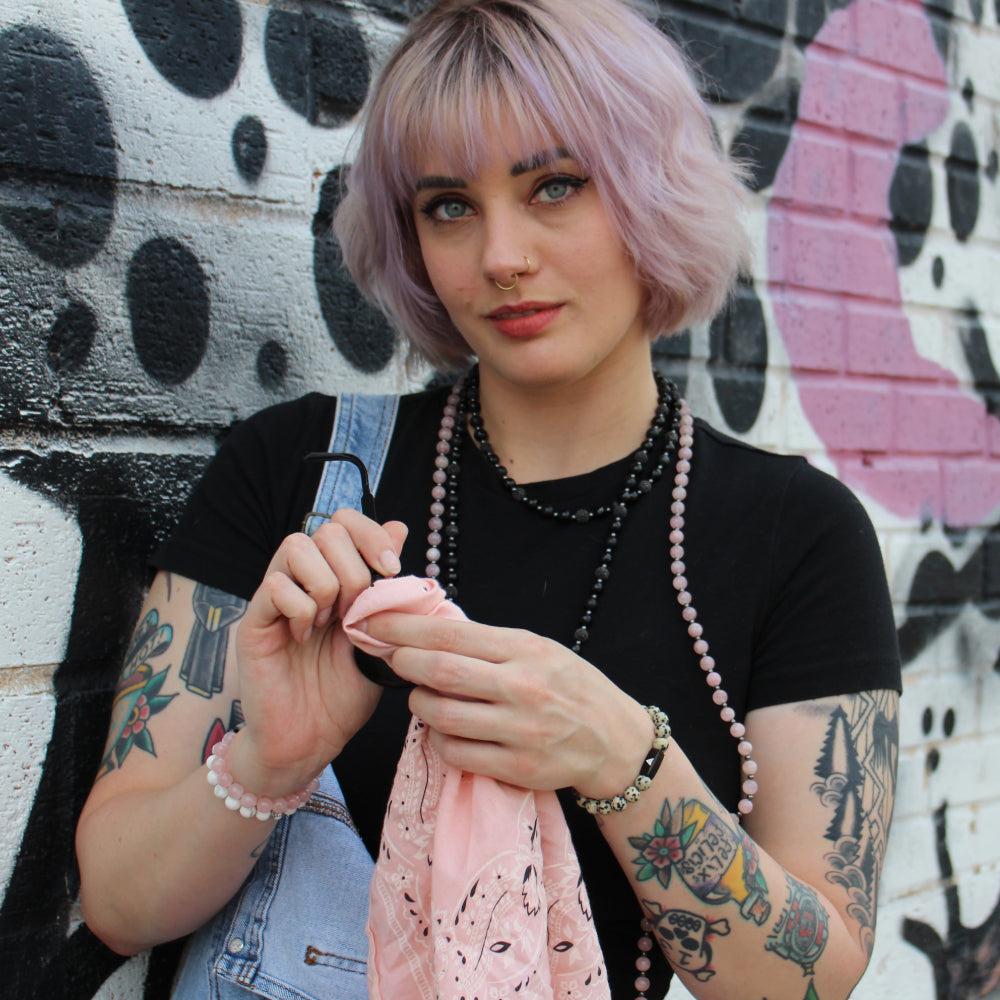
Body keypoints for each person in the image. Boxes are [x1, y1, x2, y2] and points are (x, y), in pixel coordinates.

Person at [76, 1, 901, 997]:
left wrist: (623, 763)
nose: (501, 256)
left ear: (656, 191)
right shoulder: (296, 473)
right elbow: (117, 901)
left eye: (555, 186)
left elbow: (809, 979)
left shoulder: (795, 535)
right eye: (449, 206)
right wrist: (268, 761)